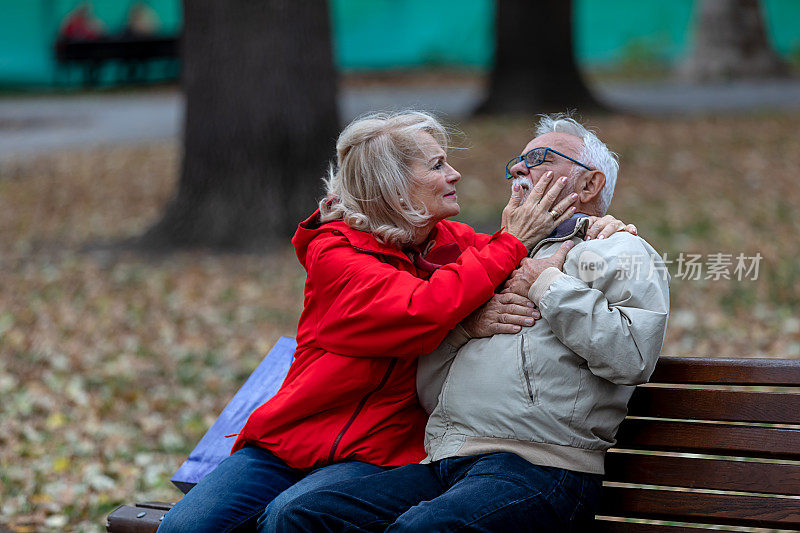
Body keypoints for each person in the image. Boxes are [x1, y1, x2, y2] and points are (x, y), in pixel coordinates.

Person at [157, 111, 632, 533]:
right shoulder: (335, 252)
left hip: (380, 450)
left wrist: (598, 226)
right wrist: (481, 292)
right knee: (186, 527)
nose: (456, 174)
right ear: (393, 185)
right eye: (437, 165)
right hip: (291, 440)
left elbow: (525, 253)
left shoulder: (448, 240)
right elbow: (420, 308)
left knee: (291, 515)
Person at [270, 115, 670, 532]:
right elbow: (430, 372)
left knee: (422, 529)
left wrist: (547, 284)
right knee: (299, 515)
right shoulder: (498, 255)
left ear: (590, 185)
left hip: (540, 467)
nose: (518, 168)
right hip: (447, 461)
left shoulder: (620, 249)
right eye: (517, 161)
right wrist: (466, 327)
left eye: (540, 158)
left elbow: (633, 357)